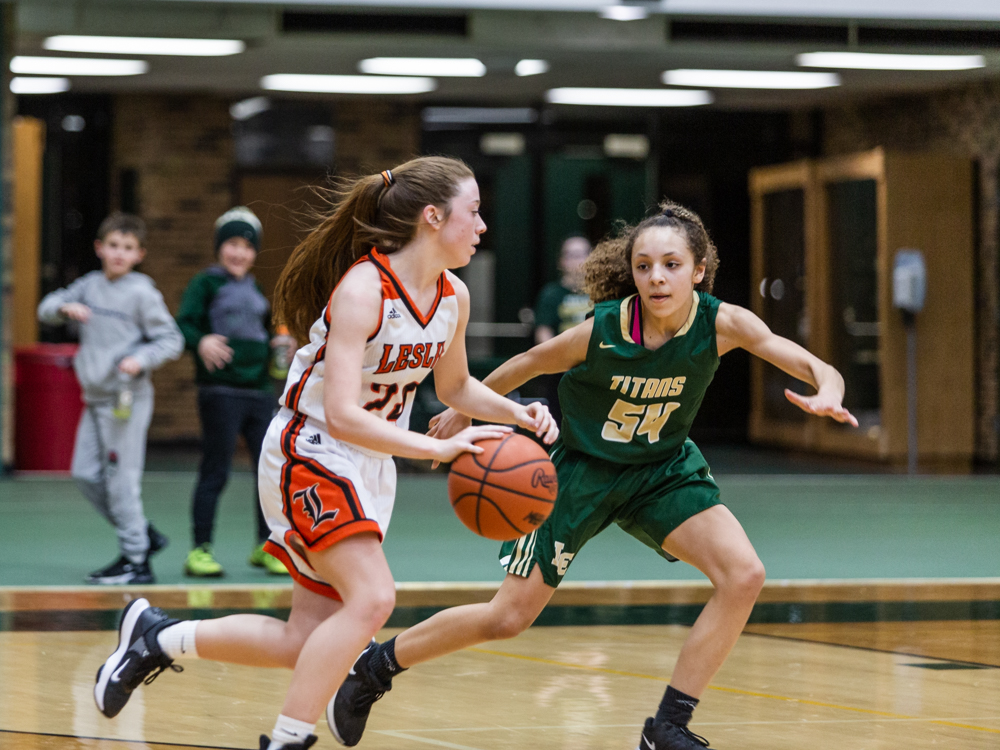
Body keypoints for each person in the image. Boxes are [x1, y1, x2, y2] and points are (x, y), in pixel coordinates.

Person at [328, 200, 859, 750]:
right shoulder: (602, 330)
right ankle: (376, 667)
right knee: (507, 618)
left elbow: (807, 362)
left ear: (699, 270)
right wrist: (464, 409)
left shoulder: (722, 322)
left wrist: (830, 389)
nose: (656, 277)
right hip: (582, 472)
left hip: (661, 469)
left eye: (672, 265)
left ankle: (668, 727)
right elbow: (530, 362)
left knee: (744, 575)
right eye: (644, 265)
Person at [92, 157, 557, 750]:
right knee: (373, 599)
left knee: (303, 641)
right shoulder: (364, 288)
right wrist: (434, 447)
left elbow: (454, 387)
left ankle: (155, 637)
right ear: (433, 217)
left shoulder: (453, 296)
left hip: (368, 464)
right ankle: (287, 739)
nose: (483, 226)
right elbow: (341, 412)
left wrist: (518, 413)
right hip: (309, 450)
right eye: (475, 212)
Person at [37, 212, 184, 585]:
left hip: (126, 400)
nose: (119, 254)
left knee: (122, 481)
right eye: (114, 246)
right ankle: (143, 534)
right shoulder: (89, 286)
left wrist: (140, 359)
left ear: (139, 254)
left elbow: (171, 339)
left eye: (128, 248)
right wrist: (62, 308)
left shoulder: (141, 292)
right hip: (96, 398)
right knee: (85, 474)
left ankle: (137, 561)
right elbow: (46, 307)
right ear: (100, 248)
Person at [176, 207, 295, 577]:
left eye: (246, 246)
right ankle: (200, 549)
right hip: (220, 392)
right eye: (232, 243)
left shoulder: (256, 290)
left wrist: (280, 343)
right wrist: (202, 341)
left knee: (268, 471)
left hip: (259, 393)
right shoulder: (206, 284)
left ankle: (266, 545)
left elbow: (266, 330)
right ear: (219, 247)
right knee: (216, 469)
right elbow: (183, 325)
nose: (239, 252)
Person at [533, 235, 592, 424]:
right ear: (562, 261)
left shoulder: (602, 292)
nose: (577, 261)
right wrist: (562, 360)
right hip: (562, 374)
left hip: (596, 372)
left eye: (582, 254)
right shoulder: (551, 294)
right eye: (572, 255)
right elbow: (543, 334)